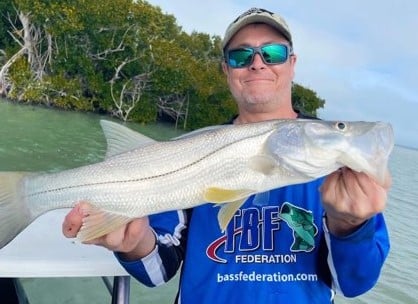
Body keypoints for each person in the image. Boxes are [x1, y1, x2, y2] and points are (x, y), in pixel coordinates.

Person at [62, 7, 391, 303]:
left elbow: (352, 284)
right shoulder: (189, 152)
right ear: (226, 69)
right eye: (240, 55)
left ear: (292, 64)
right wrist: (132, 243)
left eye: (273, 52)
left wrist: (351, 225)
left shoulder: (339, 171)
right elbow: (157, 271)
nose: (257, 62)